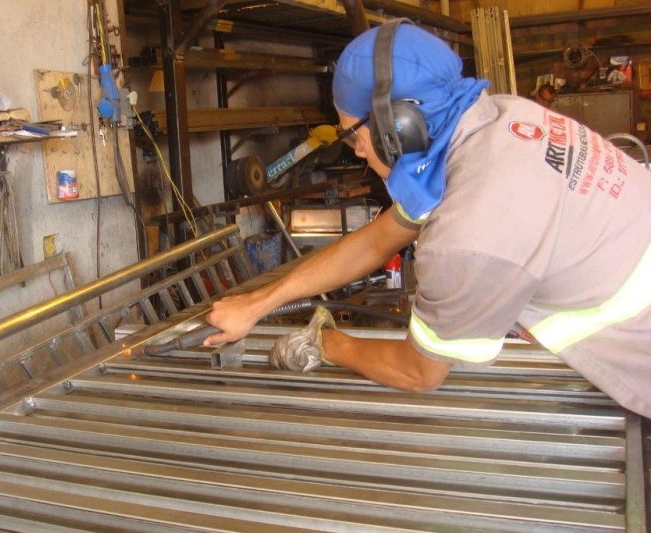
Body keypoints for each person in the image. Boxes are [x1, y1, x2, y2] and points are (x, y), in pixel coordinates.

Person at [204, 19, 651, 419]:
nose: (356, 151)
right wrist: (259, 304)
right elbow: (377, 240)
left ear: (395, 127)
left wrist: (325, 343)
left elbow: (418, 373)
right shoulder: (504, 119)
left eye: (352, 135)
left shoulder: (471, 233)